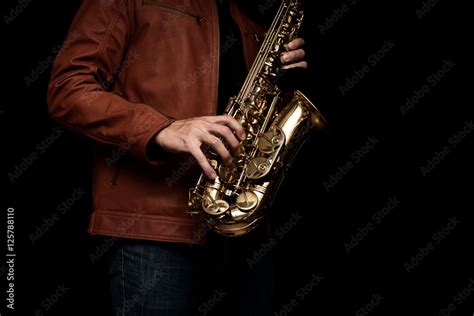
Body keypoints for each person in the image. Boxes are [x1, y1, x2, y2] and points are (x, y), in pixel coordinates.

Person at [48, 0, 307, 315]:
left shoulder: (248, 21)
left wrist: (280, 72)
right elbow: (68, 90)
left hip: (243, 230)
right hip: (155, 230)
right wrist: (161, 129)